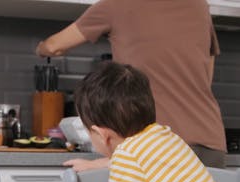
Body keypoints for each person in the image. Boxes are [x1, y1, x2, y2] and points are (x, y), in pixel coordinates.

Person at [36, 0, 226, 170]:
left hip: (156, 145)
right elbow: (207, 74)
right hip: (210, 141)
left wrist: (40, 48)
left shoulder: (116, 5)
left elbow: (54, 46)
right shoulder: (198, 6)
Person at [74, 61, 234, 182]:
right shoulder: (164, 136)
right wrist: (94, 165)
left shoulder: (128, 154)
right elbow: (143, 166)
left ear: (100, 134)